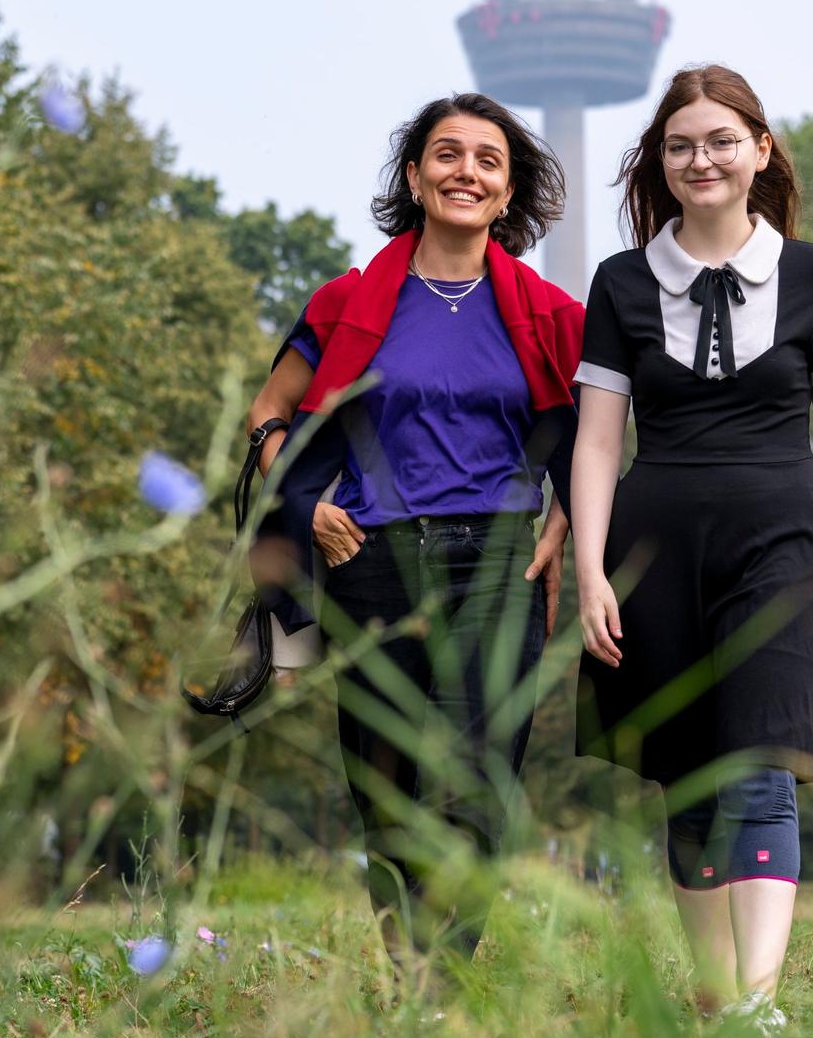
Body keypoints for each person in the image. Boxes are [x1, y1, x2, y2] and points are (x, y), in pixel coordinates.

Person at [570, 65, 813, 1026]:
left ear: (761, 150)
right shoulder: (621, 283)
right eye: (680, 144)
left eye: (722, 139)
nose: (700, 159)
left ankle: (760, 1003)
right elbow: (598, 439)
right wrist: (591, 570)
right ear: (660, 163)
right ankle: (715, 1002)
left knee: (760, 763)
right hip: (656, 554)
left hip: (786, 541)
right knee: (690, 775)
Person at [246, 92, 582, 967]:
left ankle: (441, 978)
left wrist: (566, 517)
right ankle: (409, 970)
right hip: (372, 561)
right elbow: (270, 413)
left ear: (507, 194)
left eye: (486, 161)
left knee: (476, 779)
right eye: (446, 154)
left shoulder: (550, 316)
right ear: (414, 175)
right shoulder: (346, 302)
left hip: (499, 565)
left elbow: (598, 437)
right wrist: (302, 505)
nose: (465, 171)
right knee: (387, 786)